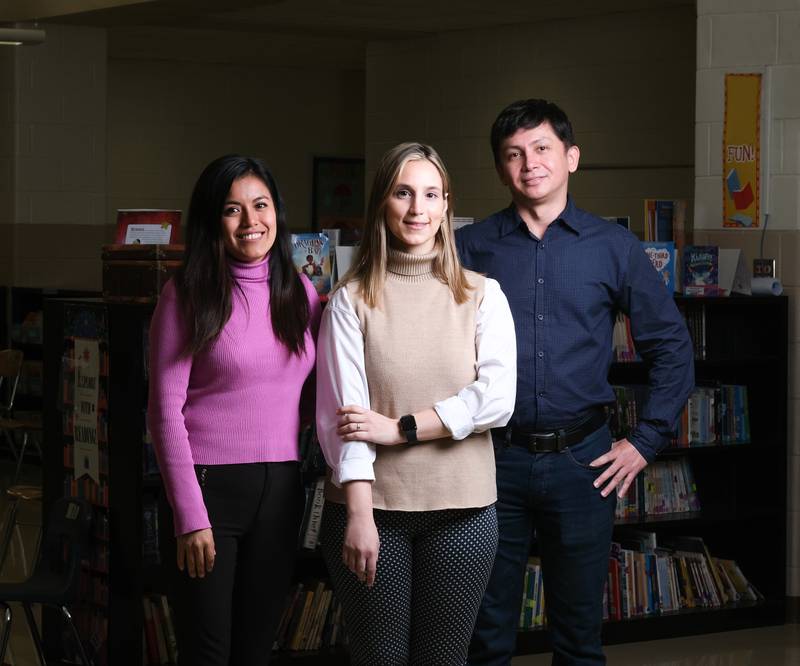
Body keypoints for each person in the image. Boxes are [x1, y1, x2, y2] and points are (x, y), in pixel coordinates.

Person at [457, 99, 695, 665]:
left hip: (583, 463)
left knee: (579, 635)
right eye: (513, 154)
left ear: (571, 157)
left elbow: (672, 347)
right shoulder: (470, 248)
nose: (529, 163)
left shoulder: (613, 247)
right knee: (485, 632)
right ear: (500, 168)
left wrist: (645, 442)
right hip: (490, 459)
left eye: (541, 149)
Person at [316, 142, 517, 665]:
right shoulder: (350, 299)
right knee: (379, 658)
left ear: (446, 205)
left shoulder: (483, 295)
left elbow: (496, 400)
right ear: (382, 202)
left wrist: (402, 429)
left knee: (443, 659)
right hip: (371, 510)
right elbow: (345, 418)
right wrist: (359, 513)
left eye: (431, 195)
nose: (416, 209)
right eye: (403, 193)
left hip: (464, 511)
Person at [147, 154, 321, 666]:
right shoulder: (186, 295)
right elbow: (164, 411)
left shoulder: (301, 292)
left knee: (255, 650)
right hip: (208, 493)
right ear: (212, 220)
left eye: (261, 205)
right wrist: (189, 516)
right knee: (209, 653)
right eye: (232, 209)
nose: (251, 222)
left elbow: (308, 392)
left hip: (281, 489)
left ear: (277, 212)